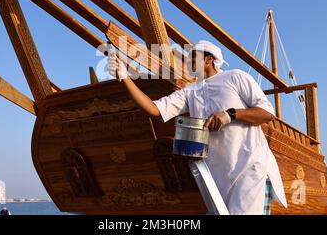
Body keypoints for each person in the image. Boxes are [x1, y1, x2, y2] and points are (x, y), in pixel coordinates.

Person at [108, 40, 287, 215]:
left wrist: (230, 114)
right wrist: (124, 77)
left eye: (193, 57)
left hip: (250, 166)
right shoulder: (189, 92)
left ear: (209, 59)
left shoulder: (235, 77)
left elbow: (266, 112)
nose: (188, 62)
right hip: (216, 176)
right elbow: (153, 109)